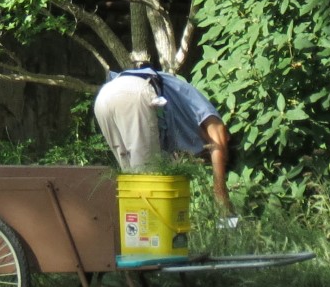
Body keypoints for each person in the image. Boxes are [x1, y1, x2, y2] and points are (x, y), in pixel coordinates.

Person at [93, 66, 235, 212]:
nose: (205, 160)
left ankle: (133, 227)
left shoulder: (183, 128)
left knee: (130, 177)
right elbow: (218, 139)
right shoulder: (210, 120)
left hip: (104, 97)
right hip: (135, 92)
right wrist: (221, 193)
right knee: (147, 177)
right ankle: (150, 230)